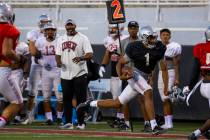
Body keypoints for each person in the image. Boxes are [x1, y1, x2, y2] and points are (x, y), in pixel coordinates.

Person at [77, 26, 168, 135]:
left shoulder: (159, 47)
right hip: (134, 74)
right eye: (150, 38)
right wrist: (120, 76)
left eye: (154, 37)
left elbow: (164, 69)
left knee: (117, 103)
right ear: (143, 38)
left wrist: (166, 88)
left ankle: (90, 103)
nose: (153, 40)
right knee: (148, 92)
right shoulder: (134, 47)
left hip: (145, 76)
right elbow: (120, 63)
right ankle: (154, 126)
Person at [55, 19, 93, 130]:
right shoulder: (61, 39)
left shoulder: (83, 38)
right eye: (68, 25)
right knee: (66, 98)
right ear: (65, 27)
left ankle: (81, 123)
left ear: (75, 26)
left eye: (71, 25)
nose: (70, 27)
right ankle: (68, 122)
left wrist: (81, 57)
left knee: (81, 99)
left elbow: (90, 54)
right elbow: (58, 54)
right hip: (65, 73)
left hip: (79, 72)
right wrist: (58, 62)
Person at [22, 14, 52, 124]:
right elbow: (33, 52)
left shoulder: (52, 33)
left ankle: (50, 117)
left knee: (48, 92)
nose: (46, 24)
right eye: (43, 22)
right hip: (37, 65)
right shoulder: (33, 33)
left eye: (47, 21)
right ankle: (29, 116)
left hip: (49, 65)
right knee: (32, 92)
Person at [32, 22, 63, 125]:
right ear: (44, 31)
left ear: (55, 31)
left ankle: (59, 117)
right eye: (48, 30)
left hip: (58, 71)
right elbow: (36, 57)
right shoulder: (40, 41)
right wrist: (42, 62)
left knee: (60, 97)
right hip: (46, 72)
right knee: (46, 96)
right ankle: (49, 118)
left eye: (52, 29)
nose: (50, 31)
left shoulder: (60, 40)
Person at [98, 23, 127, 129]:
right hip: (114, 73)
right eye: (111, 28)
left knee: (123, 97)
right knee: (116, 98)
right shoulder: (108, 40)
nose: (112, 30)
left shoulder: (126, 39)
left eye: (114, 28)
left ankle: (123, 119)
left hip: (124, 72)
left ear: (120, 28)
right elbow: (108, 54)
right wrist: (103, 66)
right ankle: (119, 118)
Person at [0, 3, 25, 127]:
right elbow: (7, 52)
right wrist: (18, 58)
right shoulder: (11, 29)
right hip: (3, 69)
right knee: (17, 102)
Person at [185, 26, 210, 140]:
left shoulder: (200, 47)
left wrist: (189, 86)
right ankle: (196, 133)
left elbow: (195, 71)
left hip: (204, 85)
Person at [158, 28, 182, 129]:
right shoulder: (157, 46)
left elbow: (177, 64)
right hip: (160, 73)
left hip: (170, 72)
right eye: (163, 34)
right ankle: (168, 122)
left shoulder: (174, 47)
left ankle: (169, 123)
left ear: (170, 36)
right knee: (164, 99)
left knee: (166, 97)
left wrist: (177, 78)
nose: (165, 36)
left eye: (167, 34)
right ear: (160, 36)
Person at [11, 42, 30, 124]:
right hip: (3, 70)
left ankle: (18, 116)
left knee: (17, 94)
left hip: (17, 72)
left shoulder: (22, 46)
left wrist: (25, 75)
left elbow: (27, 60)